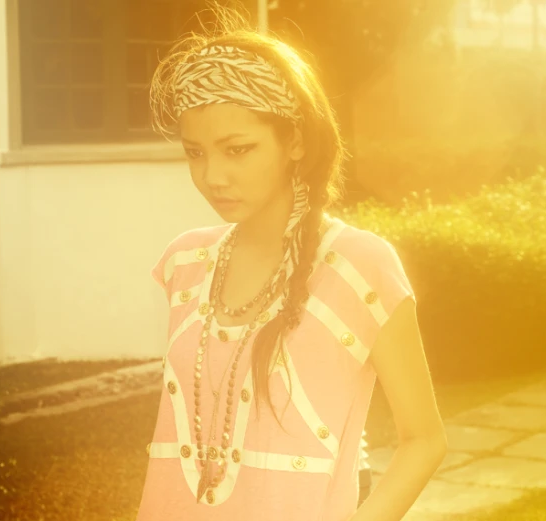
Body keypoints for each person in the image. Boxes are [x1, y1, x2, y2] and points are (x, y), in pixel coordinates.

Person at [137, 6, 447, 521]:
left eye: (238, 150)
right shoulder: (184, 264)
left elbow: (424, 440)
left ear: (296, 140)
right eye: (195, 153)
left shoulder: (358, 265)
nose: (213, 176)